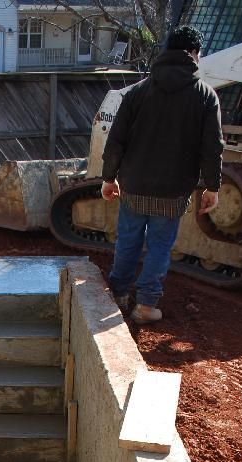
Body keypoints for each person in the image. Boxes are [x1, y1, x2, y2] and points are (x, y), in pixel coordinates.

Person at [101, 25, 224, 324]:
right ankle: (145, 304)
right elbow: (212, 147)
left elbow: (116, 140)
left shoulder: (138, 92)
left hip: (134, 185)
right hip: (173, 190)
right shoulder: (206, 96)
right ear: (195, 54)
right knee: (159, 246)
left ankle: (118, 294)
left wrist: (108, 177)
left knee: (128, 240)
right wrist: (212, 187)